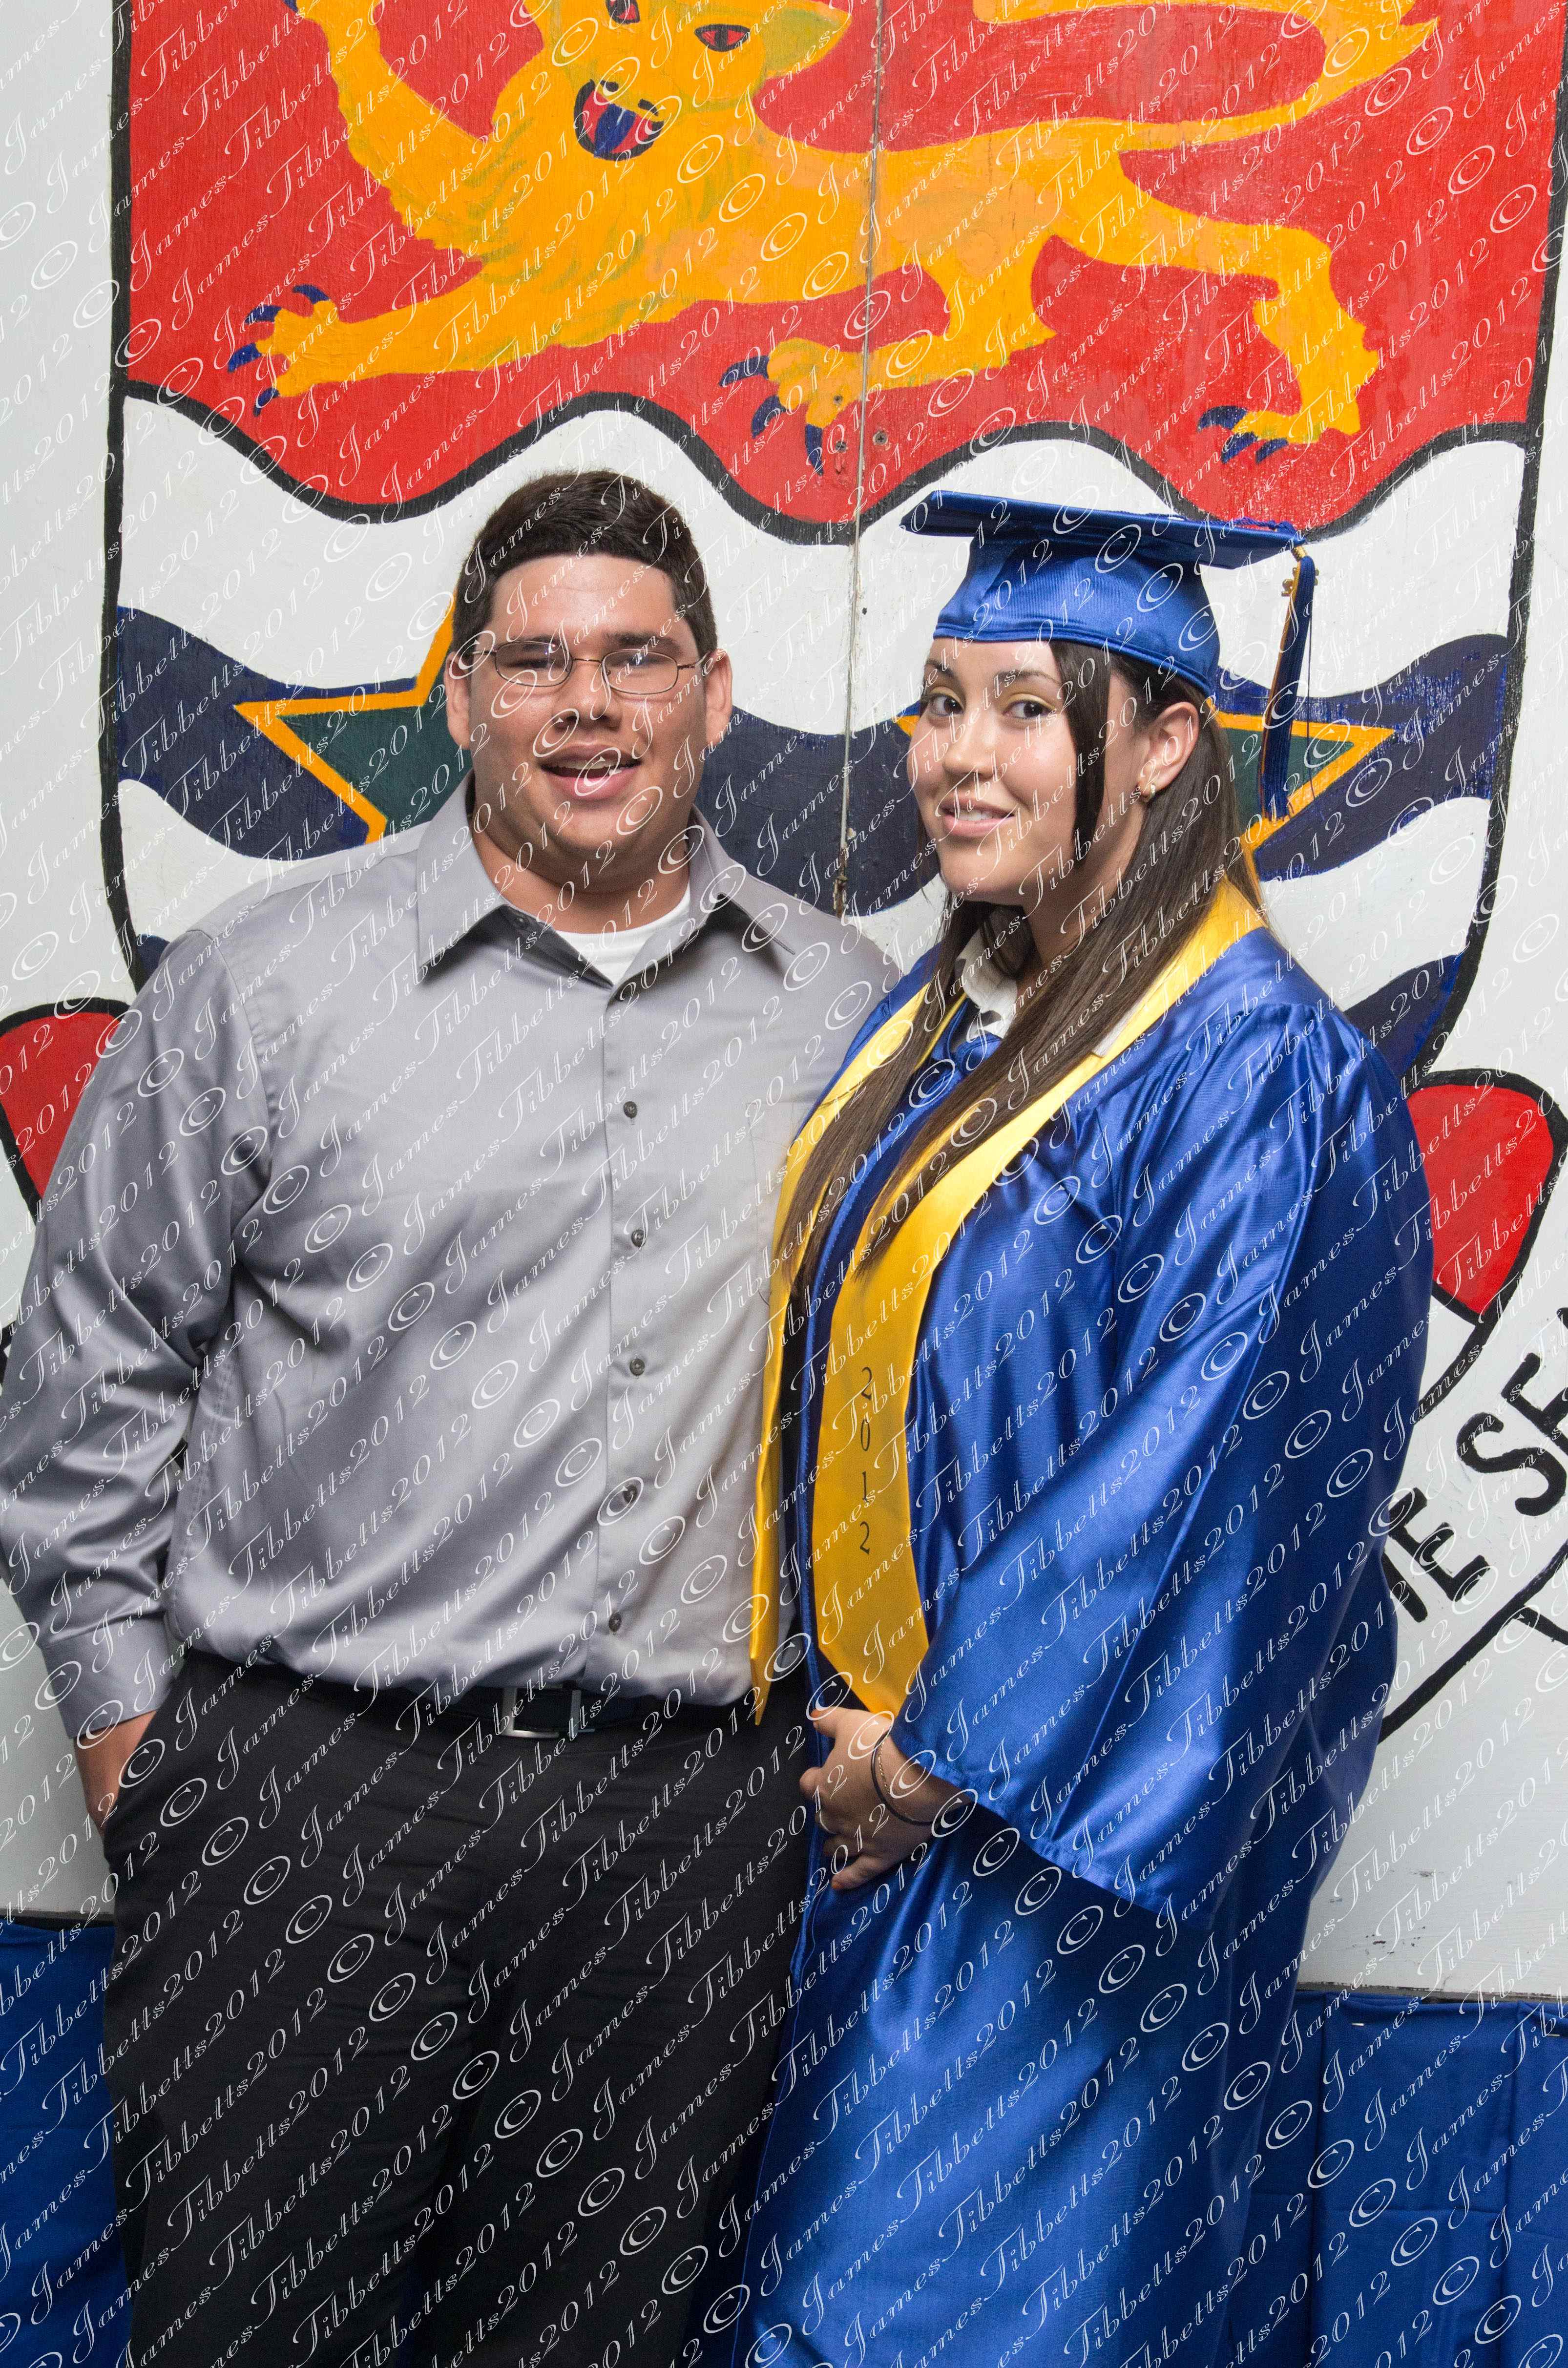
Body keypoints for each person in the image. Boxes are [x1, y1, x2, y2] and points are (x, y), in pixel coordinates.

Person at [0, 468, 894, 2368]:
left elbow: (912, 1393)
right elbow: (88, 1379)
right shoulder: (264, 986)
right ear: (462, 692)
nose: (589, 704)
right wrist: (143, 1757)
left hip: (680, 1835)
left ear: (715, 696)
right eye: (537, 660)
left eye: (635, 658)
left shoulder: (842, 1011)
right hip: (306, 1800)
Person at [704, 497, 1433, 2368]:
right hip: (872, 1823)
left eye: (1025, 709)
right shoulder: (961, 1019)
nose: (959, 755)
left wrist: (931, 1763)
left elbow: (1204, 1486)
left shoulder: (1255, 1071)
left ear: (1164, 739)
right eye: (940, 702)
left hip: (1057, 1868)